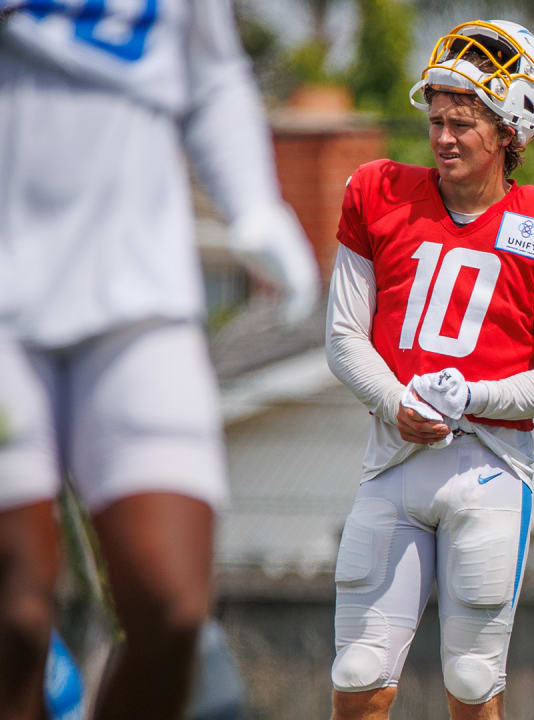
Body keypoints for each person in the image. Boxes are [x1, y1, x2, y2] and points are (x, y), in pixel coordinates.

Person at [0, 2, 319, 719]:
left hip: (140, 296)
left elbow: (210, 73)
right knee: (15, 620)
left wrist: (255, 206)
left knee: (172, 609)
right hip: (5, 306)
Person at [325, 19, 534, 720]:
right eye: (437, 120)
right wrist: (396, 403)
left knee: (475, 684)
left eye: (464, 122)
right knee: (358, 676)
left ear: (513, 130)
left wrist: (468, 395)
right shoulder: (378, 192)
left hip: (491, 465)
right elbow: (343, 336)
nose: (443, 136)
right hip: (393, 458)